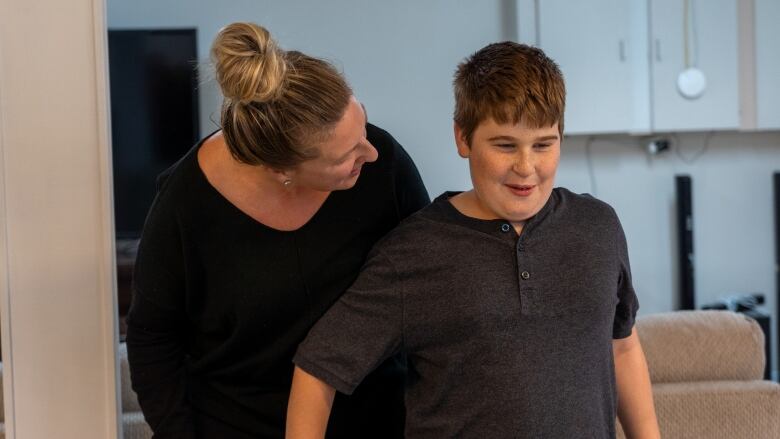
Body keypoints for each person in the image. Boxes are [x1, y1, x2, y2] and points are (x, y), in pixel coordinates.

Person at [286, 42, 660, 438]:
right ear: (463, 138)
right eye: (504, 145)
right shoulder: (413, 252)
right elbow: (318, 369)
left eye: (543, 144)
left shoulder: (598, 227)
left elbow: (622, 346)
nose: (526, 167)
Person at [125, 22, 429, 439]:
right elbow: (152, 339)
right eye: (347, 154)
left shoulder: (384, 165)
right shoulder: (185, 205)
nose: (370, 151)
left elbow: (430, 284)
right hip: (236, 424)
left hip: (378, 419)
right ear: (282, 170)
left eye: (364, 128)